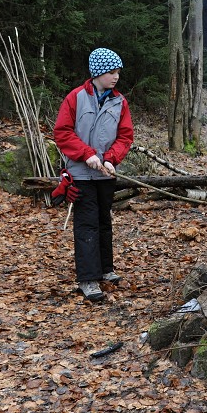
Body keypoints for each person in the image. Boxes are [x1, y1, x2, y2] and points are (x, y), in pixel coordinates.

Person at [53, 48, 134, 301]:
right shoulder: (75, 98)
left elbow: (125, 136)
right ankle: (87, 279)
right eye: (112, 72)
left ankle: (105, 269)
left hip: (105, 175)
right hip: (80, 174)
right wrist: (86, 153)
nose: (116, 77)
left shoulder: (120, 102)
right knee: (86, 224)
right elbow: (63, 132)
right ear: (98, 73)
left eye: (118, 72)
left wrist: (111, 159)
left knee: (103, 221)